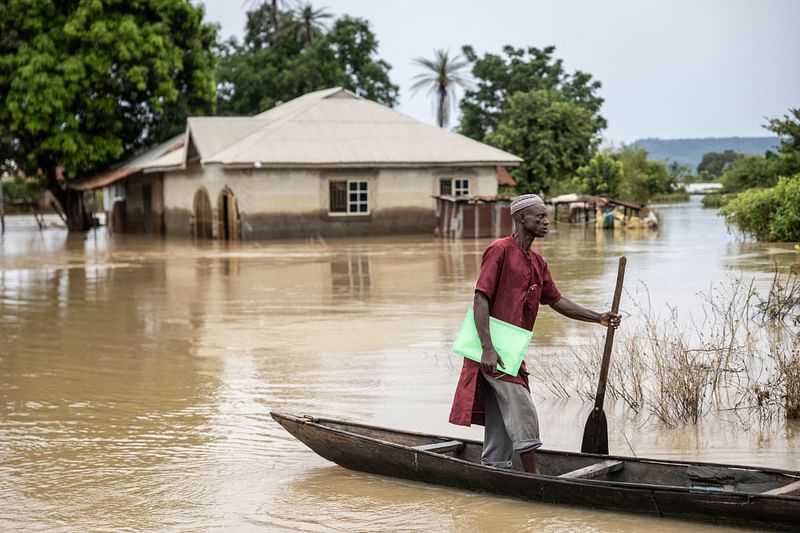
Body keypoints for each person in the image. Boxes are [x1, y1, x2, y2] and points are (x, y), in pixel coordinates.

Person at [448, 193, 621, 474]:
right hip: (495, 348)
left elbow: (556, 300)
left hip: (513, 350)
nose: (546, 221)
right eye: (539, 216)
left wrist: (598, 318)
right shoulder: (499, 250)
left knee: (500, 414)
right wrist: (487, 348)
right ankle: (533, 476)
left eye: (545, 216)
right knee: (522, 408)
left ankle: (494, 467)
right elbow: (481, 298)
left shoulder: (538, 262)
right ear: (520, 218)